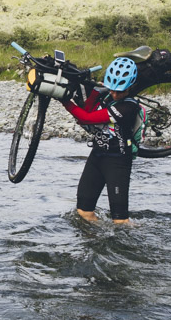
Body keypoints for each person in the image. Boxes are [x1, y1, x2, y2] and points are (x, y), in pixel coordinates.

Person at [60, 56, 142, 225]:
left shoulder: (128, 107)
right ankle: (96, 243)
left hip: (118, 161)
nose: (114, 94)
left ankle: (128, 246)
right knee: (83, 210)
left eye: (120, 91)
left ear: (130, 87)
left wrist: (64, 101)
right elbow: (85, 110)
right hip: (97, 156)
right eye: (112, 89)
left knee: (120, 220)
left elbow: (87, 118)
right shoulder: (106, 96)